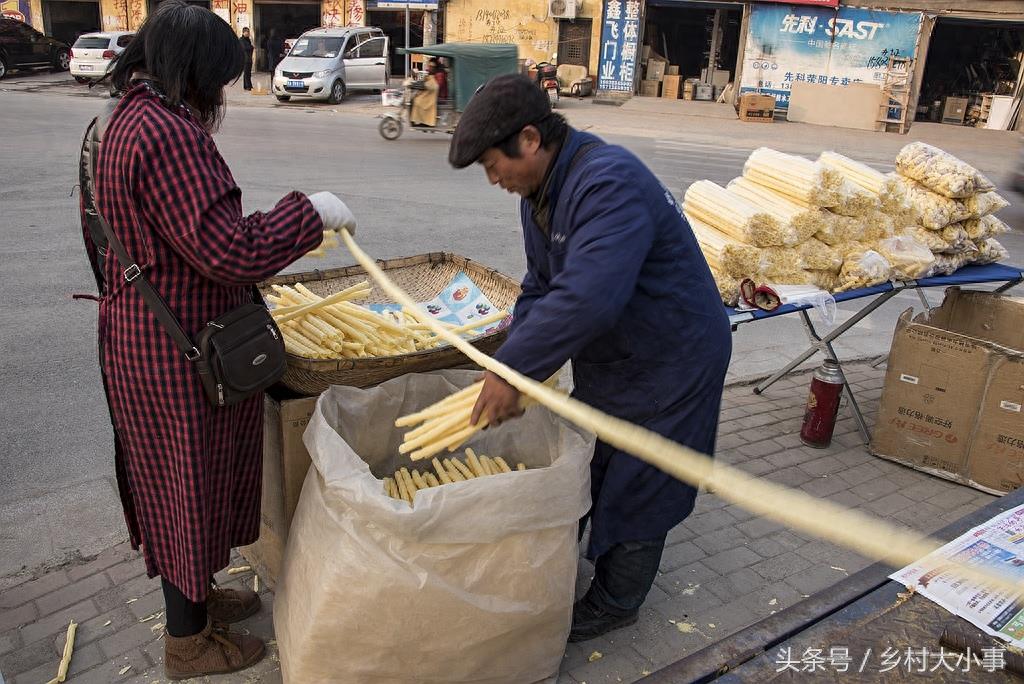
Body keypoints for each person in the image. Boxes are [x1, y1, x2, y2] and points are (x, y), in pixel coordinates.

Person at [77, 1, 357, 678]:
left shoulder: (118, 119)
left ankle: (195, 605)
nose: (219, 97)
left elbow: (103, 237)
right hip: (176, 351)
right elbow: (228, 249)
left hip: (143, 337)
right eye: (218, 81)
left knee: (183, 486)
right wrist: (307, 214)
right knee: (184, 489)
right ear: (193, 71)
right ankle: (186, 643)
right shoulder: (166, 132)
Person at [448, 74, 731, 642]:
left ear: (529, 139)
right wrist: (510, 361)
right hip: (619, 358)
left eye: (492, 164)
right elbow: (541, 288)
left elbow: (587, 295)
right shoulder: (540, 194)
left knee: (640, 485)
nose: (494, 178)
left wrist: (515, 372)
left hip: (672, 356)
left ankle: (616, 601)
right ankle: (567, 569)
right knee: (593, 466)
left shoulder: (609, 181)